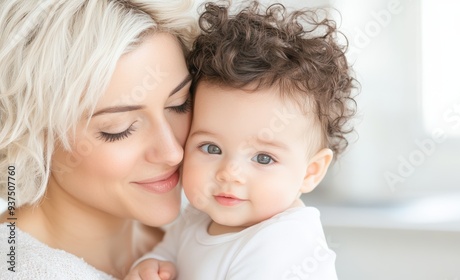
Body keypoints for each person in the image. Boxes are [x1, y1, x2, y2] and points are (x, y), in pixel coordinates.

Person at [126, 1, 356, 279]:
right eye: (211, 148)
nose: (229, 174)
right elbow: (168, 252)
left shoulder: (284, 243)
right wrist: (152, 264)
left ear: (311, 171)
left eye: (263, 158)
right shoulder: (197, 216)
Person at [0, 0, 198, 279]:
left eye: (179, 104)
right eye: (119, 129)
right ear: (34, 135)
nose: (173, 152)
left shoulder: (202, 221)